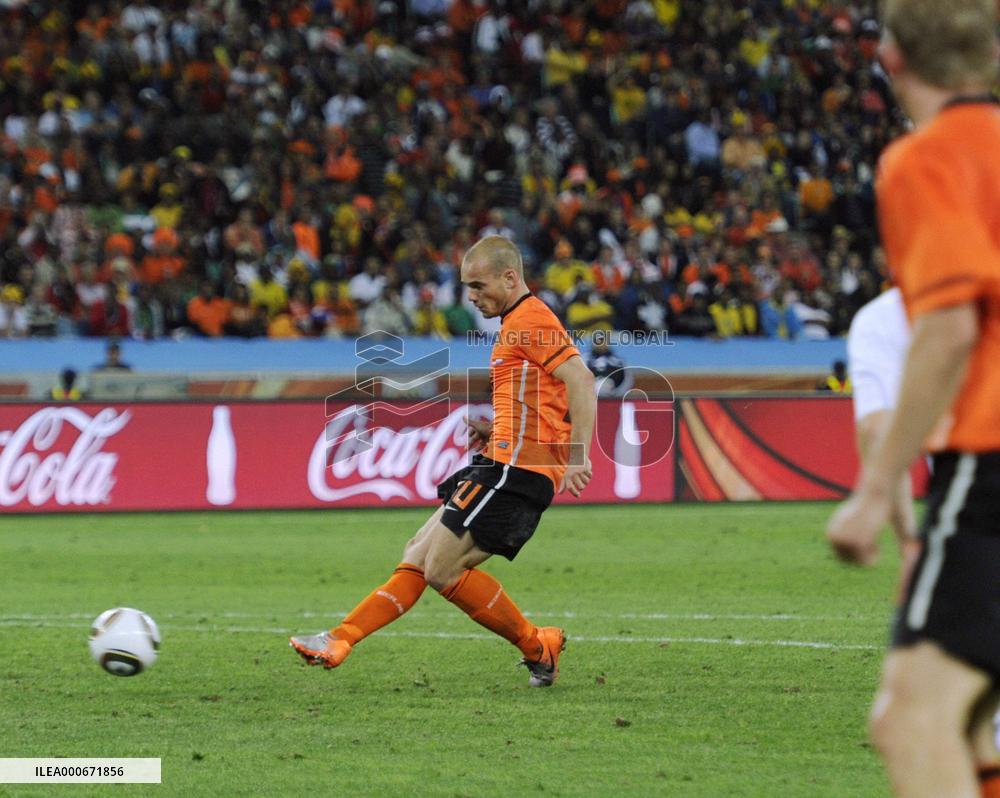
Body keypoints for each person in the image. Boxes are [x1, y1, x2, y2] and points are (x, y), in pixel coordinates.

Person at [826, 2, 1000, 795]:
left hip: (992, 459)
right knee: (967, 720)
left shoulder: (928, 158)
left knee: (911, 720)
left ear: (891, 58)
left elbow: (950, 329)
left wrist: (871, 494)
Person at [291, 236, 597, 687]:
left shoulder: (531, 319)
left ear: (510, 277)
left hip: (518, 469)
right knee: (418, 553)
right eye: (466, 287)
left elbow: (582, 380)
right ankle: (340, 638)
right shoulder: (516, 323)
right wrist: (497, 430)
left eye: (478, 285)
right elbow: (543, 398)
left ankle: (538, 645)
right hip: (504, 458)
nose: (471, 296)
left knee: (441, 569)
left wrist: (578, 456)